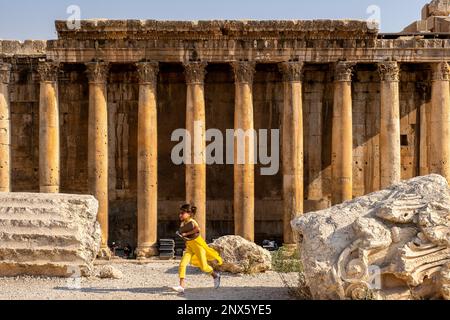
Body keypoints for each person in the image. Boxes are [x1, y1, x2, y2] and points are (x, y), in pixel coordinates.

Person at [172, 204, 223, 294]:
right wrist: (182, 236)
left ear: (189, 214)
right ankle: (181, 286)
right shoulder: (183, 223)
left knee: (204, 267)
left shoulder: (192, 221)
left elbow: (197, 230)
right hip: (189, 247)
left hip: (198, 247)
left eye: (182, 213)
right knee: (182, 264)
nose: (180, 215)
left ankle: (215, 276)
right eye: (180, 213)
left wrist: (185, 234)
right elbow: (187, 237)